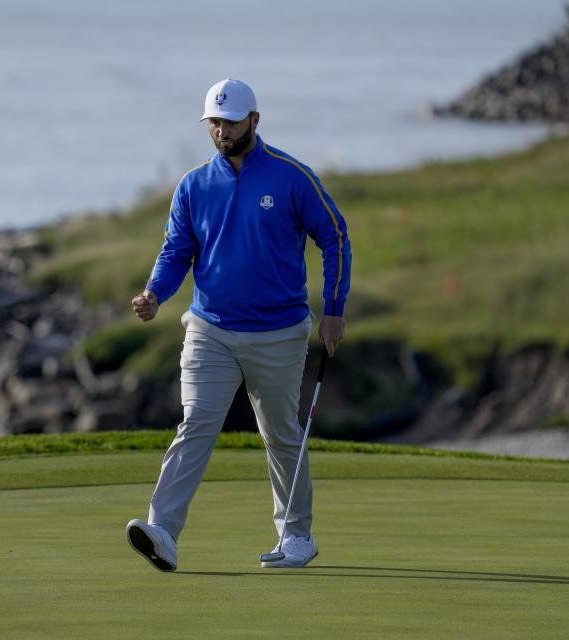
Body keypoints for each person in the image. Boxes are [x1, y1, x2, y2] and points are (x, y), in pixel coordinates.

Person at [125, 78, 352, 571]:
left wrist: (333, 310)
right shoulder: (193, 186)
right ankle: (162, 531)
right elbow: (176, 251)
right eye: (214, 123)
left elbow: (335, 236)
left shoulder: (292, 177)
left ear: (254, 120)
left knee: (280, 435)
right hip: (210, 329)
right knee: (196, 424)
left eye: (230, 123)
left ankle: (297, 537)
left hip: (279, 332)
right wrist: (154, 293)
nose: (222, 132)